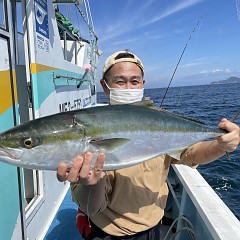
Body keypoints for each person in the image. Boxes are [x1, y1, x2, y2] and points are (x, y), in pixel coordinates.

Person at [57, 50, 240, 239]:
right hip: (108, 233)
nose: (128, 87)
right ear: (105, 86)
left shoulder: (160, 120)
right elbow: (92, 208)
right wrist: (91, 183)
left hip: (153, 229)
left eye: (134, 81)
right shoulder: (88, 130)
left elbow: (192, 154)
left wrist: (221, 146)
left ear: (143, 84)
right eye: (120, 81)